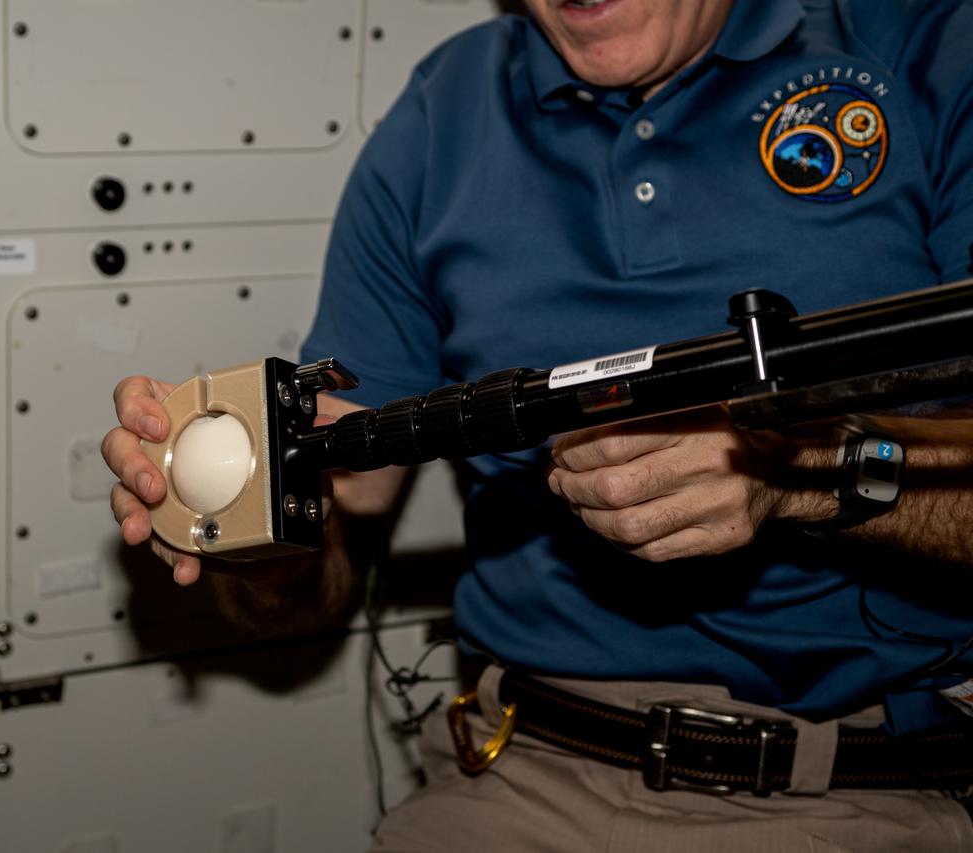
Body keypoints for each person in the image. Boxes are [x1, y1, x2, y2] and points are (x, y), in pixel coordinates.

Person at [102, 0, 973, 849]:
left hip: (862, 783)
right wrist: (237, 519)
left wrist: (801, 474)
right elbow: (327, 543)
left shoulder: (928, 47)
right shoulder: (446, 110)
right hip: (520, 765)